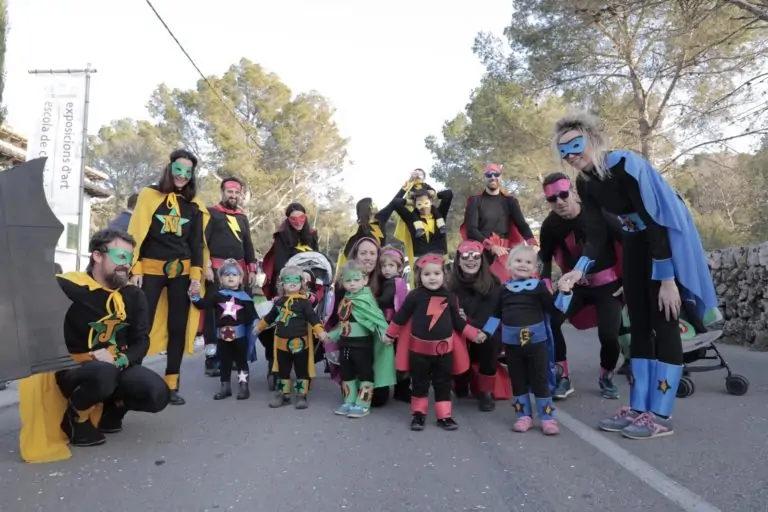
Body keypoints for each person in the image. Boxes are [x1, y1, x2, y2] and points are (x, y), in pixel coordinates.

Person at [555, 111, 719, 440]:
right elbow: (598, 235)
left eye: (576, 145)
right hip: (633, 247)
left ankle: (661, 415)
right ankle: (639, 408)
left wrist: (669, 280)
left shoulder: (625, 166)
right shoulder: (585, 183)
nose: (571, 155)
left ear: (592, 139)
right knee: (638, 327)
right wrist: (578, 270)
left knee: (665, 324)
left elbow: (656, 223)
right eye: (563, 150)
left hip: (660, 248)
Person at [18, 228, 170, 463]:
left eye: (130, 259)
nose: (126, 265)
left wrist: (119, 359)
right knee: (103, 374)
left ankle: (112, 408)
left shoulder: (133, 296)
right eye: (120, 257)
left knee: (157, 394)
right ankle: (76, 416)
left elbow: (142, 341)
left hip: (115, 364)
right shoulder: (69, 287)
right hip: (73, 369)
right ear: (97, 256)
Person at [128, 149, 209, 406]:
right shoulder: (149, 196)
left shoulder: (194, 206)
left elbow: (196, 244)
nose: (183, 175)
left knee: (178, 327)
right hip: (150, 269)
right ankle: (131, 381)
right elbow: (137, 232)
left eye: (188, 171)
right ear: (170, 168)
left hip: (182, 272)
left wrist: (196, 275)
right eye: (179, 169)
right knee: (143, 324)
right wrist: (135, 267)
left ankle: (171, 384)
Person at [538, 171, 625, 400]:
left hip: (608, 286)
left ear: (574, 192)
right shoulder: (550, 225)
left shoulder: (598, 214)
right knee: (551, 320)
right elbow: (544, 256)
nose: (559, 202)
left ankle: (606, 376)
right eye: (552, 199)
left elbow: (627, 244)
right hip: (574, 287)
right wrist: (545, 282)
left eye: (563, 195)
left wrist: (627, 281)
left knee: (609, 336)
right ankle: (562, 376)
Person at [383, 254, 483, 431]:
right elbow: (401, 317)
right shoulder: (415, 296)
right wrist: (390, 334)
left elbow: (458, 323)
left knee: (443, 383)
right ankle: (418, 415)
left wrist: (474, 334)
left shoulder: (450, 297)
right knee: (419, 384)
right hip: (419, 351)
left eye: (436, 273)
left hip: (444, 352)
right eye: (427, 274)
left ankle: (444, 416)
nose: (432, 278)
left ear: (444, 274)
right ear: (419, 277)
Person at [486, 245, 561, 435]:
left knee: (540, 381)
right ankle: (523, 416)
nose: (523, 265)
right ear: (509, 265)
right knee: (518, 381)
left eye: (528, 262)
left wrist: (565, 294)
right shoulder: (503, 291)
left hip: (536, 344)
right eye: (518, 261)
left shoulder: (539, 287)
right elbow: (495, 315)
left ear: (535, 268)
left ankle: (547, 418)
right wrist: (484, 333)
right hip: (512, 346)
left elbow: (554, 309)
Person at [326, 237, 408, 406]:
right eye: (363, 253)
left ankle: (399, 383)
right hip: (352, 341)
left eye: (372, 253)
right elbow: (337, 316)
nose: (368, 257)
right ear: (355, 255)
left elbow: (399, 312)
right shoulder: (344, 284)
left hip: (379, 339)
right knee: (350, 387)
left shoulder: (386, 280)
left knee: (378, 400)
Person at [202, 176, 259, 377]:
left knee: (239, 314)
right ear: (223, 192)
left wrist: (251, 269)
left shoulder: (243, 217)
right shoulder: (211, 213)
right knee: (214, 315)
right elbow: (203, 241)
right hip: (217, 271)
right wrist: (206, 266)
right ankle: (212, 358)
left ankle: (236, 356)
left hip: (240, 272)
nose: (233, 195)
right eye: (229, 192)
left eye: (236, 193)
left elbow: (248, 244)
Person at [327, 260, 396, 418]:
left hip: (362, 346)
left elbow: (377, 320)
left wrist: (386, 335)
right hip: (345, 345)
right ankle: (348, 400)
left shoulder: (366, 300)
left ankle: (363, 404)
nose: (352, 284)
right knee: (347, 373)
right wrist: (330, 336)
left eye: (356, 280)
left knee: (365, 374)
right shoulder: (345, 300)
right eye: (348, 280)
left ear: (365, 280)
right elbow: (343, 324)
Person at [254, 266, 330, 409]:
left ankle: (302, 395)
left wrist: (320, 332)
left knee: (302, 371)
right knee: (283, 371)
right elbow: (270, 318)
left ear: (302, 283)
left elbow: (313, 318)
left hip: (301, 344)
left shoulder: (304, 302)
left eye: (296, 279)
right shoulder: (279, 302)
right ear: (282, 284)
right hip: (281, 344)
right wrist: (259, 327)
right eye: (288, 279)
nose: (292, 282)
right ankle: (283, 394)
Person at [259, 203, 319, 382]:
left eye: (302, 218)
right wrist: (285, 287)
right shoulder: (281, 237)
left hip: (307, 286)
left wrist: (311, 284)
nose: (298, 222)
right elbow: (280, 266)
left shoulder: (312, 234)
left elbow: (317, 259)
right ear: (288, 219)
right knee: (276, 325)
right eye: (294, 218)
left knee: (310, 321)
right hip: (286, 284)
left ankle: (304, 368)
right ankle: (274, 365)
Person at [448, 239, 508, 412]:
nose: (470, 260)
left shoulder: (494, 283)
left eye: (475, 256)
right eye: (465, 256)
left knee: (490, 342)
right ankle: (460, 378)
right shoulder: (451, 286)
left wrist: (477, 329)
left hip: (486, 331)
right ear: (458, 260)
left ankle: (486, 391)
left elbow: (494, 315)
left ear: (482, 259)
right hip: (460, 332)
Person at [191, 258, 257, 401]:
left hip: (240, 338)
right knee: (224, 362)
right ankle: (225, 387)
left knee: (241, 362)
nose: (231, 277)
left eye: (234, 274)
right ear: (221, 279)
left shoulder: (245, 298)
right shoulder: (217, 296)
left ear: (240, 279)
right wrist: (195, 295)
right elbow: (202, 304)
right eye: (227, 275)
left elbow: (253, 318)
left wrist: (257, 329)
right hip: (221, 337)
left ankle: (243, 387)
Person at [460, 163, 538, 282]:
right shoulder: (475, 201)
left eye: (496, 174)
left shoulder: (510, 201)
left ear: (500, 177)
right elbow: (471, 230)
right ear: (484, 178)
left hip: (505, 250)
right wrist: (491, 247)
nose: (492, 177)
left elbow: (522, 225)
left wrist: (533, 243)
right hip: (481, 251)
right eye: (488, 175)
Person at [391, 172, 454, 285]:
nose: (424, 207)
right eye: (420, 204)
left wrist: (430, 195)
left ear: (430, 202)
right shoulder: (411, 219)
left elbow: (448, 194)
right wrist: (412, 199)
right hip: (421, 266)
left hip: (442, 264)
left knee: (446, 295)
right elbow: (396, 203)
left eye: (426, 203)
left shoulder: (440, 215)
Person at [336, 196, 398, 270]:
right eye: (373, 203)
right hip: (364, 269)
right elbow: (348, 252)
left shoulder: (380, 220)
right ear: (368, 208)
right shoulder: (358, 230)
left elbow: (394, 203)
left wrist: (406, 188)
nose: (376, 205)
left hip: (379, 267)